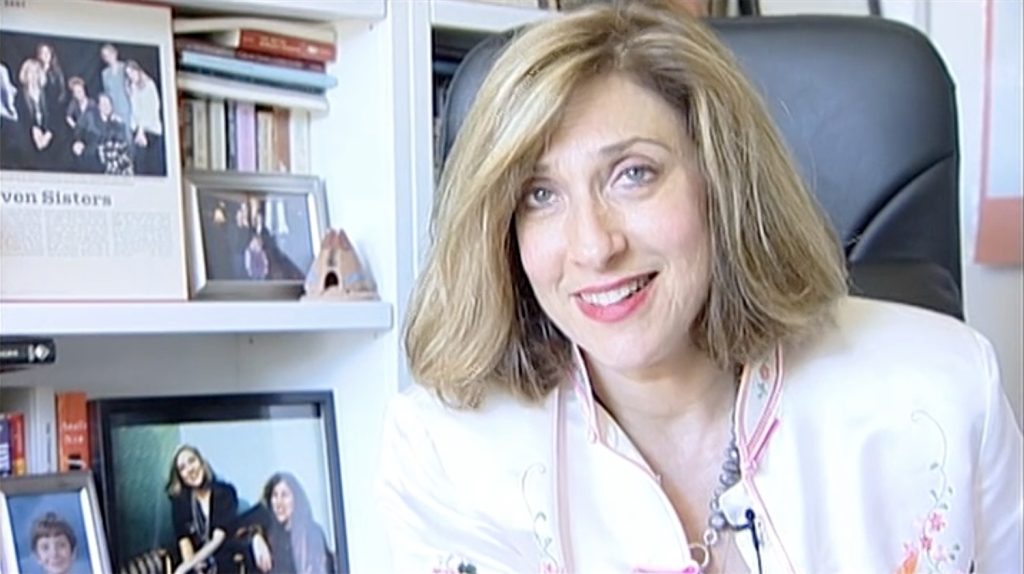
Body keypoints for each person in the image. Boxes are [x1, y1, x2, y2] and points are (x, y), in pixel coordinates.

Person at [376, 2, 1024, 574]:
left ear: (722, 181)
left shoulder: (946, 393)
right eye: (539, 195)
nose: (594, 245)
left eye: (633, 174)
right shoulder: (445, 454)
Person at [166, 445, 242, 574]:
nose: (190, 469)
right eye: (183, 468)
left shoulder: (225, 492)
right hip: (197, 565)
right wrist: (192, 566)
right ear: (180, 477)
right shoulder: (180, 503)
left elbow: (218, 538)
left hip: (223, 561)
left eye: (192, 461)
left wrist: (184, 567)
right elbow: (184, 540)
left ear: (201, 462)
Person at [240, 472, 335, 574]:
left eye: (284, 495)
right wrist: (255, 539)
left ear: (296, 499)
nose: (279, 503)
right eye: (275, 496)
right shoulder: (266, 533)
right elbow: (236, 531)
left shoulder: (311, 534)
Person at [13, 58, 57, 170]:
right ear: (25, 75)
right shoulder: (19, 97)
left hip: (50, 139)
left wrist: (48, 134)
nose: (33, 76)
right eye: (30, 72)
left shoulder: (49, 93)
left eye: (36, 72)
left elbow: (56, 116)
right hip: (28, 142)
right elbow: (22, 121)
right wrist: (34, 131)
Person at [125, 59, 164, 176]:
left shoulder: (149, 85)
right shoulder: (132, 86)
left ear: (138, 70)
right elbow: (135, 110)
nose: (131, 76)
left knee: (149, 168)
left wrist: (141, 130)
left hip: (151, 130)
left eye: (132, 72)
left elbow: (151, 110)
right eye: (128, 74)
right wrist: (134, 128)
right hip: (138, 130)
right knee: (139, 167)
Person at [65, 77, 102, 173]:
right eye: (76, 92)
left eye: (80, 91)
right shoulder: (74, 104)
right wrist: (75, 126)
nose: (79, 94)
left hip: (92, 134)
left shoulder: (92, 103)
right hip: (80, 135)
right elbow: (68, 117)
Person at [99, 43, 131, 139]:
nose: (108, 57)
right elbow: (107, 93)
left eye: (110, 54)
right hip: (113, 110)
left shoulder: (125, 67)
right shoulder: (104, 74)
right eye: (105, 56)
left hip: (127, 107)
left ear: (115, 53)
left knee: (128, 135)